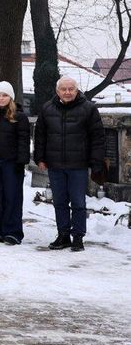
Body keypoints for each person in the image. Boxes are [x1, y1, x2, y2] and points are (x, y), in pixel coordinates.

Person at [35, 76, 103, 251]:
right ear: (57, 91)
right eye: (63, 89)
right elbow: (40, 135)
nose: (67, 92)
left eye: (71, 89)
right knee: (59, 202)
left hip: (78, 164)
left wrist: (96, 162)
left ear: (76, 90)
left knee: (78, 202)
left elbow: (97, 138)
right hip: (55, 164)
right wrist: (40, 158)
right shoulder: (47, 108)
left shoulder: (89, 109)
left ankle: (78, 237)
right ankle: (63, 235)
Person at [0, 81, 30, 245]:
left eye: (5, 95)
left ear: (11, 97)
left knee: (12, 197)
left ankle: (13, 231)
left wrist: (21, 161)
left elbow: (23, 140)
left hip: (11, 163)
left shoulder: (19, 117)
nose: (1, 98)